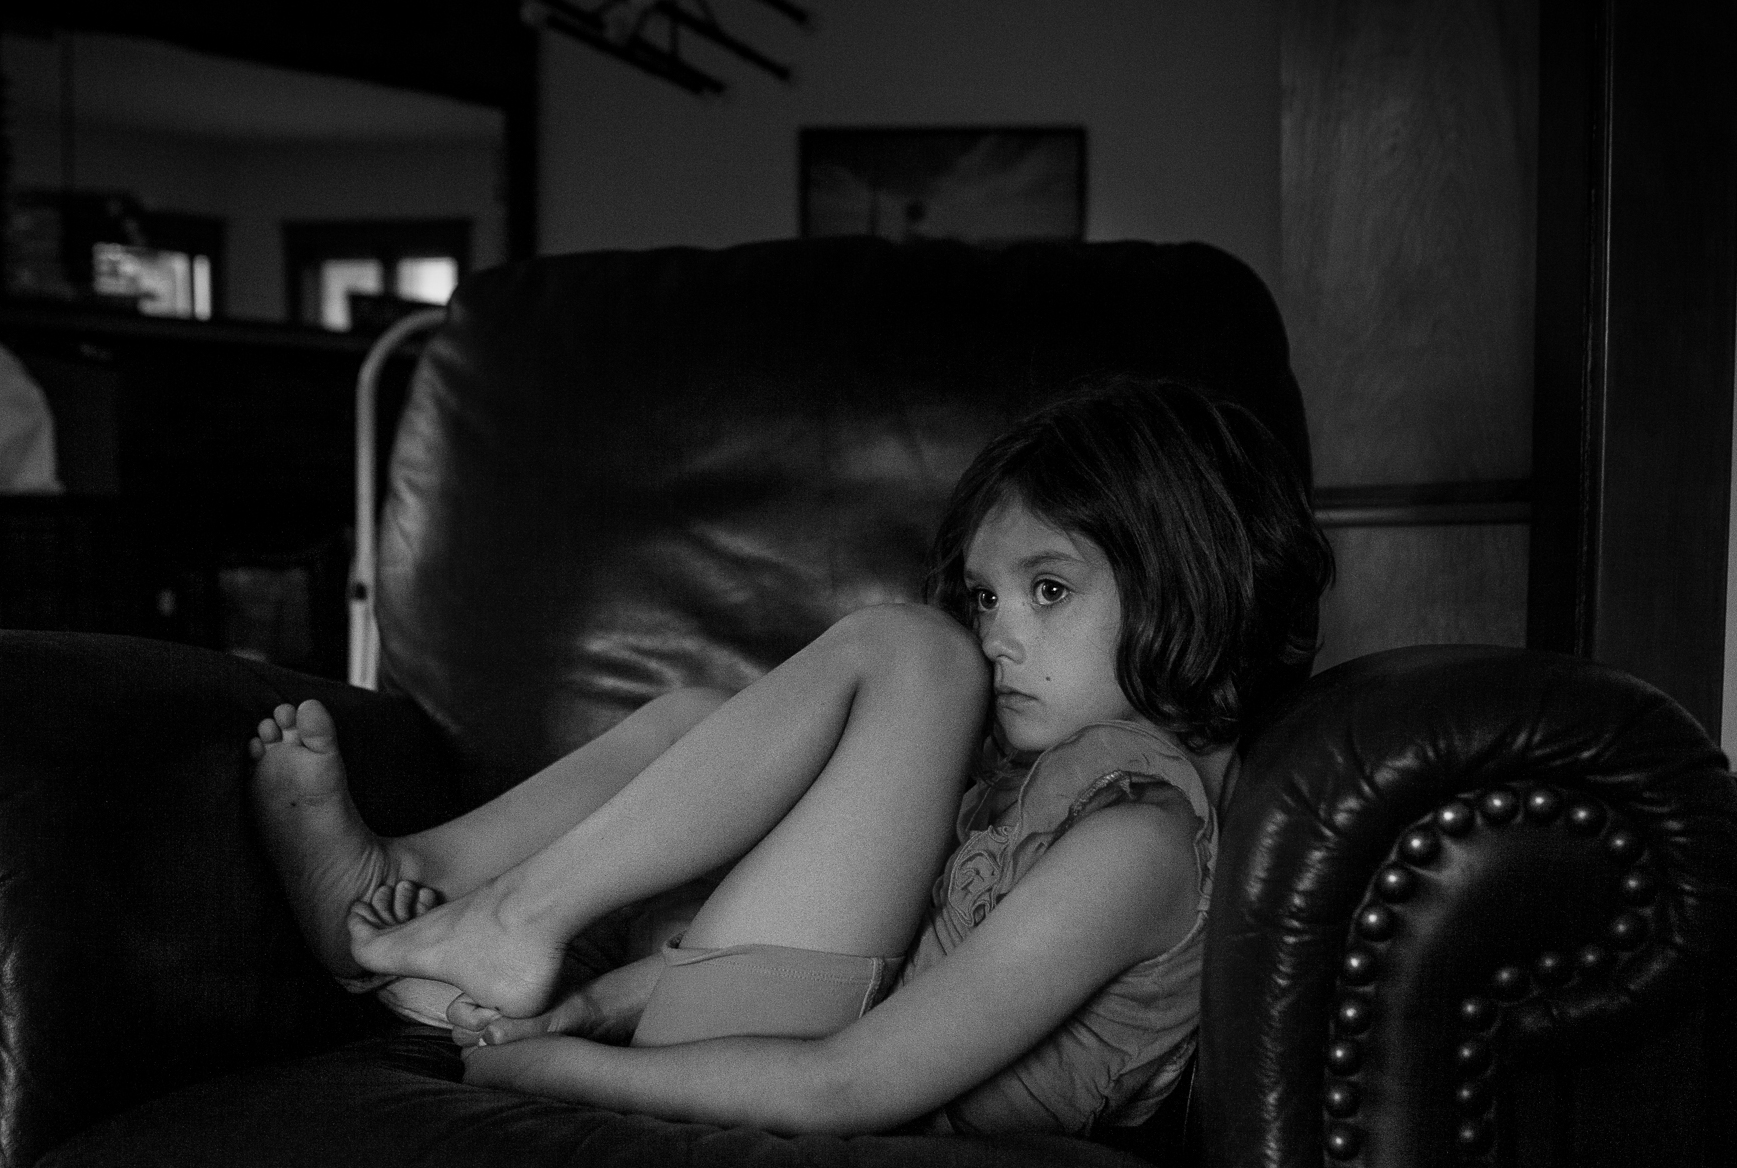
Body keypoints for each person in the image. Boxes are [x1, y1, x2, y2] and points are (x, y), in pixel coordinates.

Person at [248, 375, 1333, 1138]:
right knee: (696, 721)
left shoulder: (1136, 843)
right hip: (747, 997)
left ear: (1191, 580)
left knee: (911, 652)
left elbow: (844, 1087)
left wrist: (558, 1070)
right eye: (987, 594)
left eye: (1047, 590)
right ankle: (424, 884)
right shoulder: (1060, 785)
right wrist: (587, 1011)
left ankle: (506, 925)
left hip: (800, 1061)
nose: (999, 630)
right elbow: (900, 950)